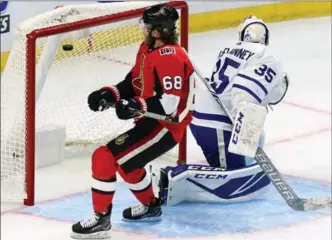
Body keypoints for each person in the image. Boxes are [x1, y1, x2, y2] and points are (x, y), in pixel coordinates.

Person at [71, 4, 195, 239]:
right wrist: (112, 94)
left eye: (146, 25)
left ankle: (100, 220)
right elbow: (136, 82)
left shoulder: (170, 57)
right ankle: (150, 206)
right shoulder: (148, 49)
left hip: (166, 127)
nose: (142, 28)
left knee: (104, 157)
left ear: (157, 31)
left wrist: (138, 106)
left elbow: (171, 106)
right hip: (152, 122)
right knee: (130, 166)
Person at [156, 16, 289, 206]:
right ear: (265, 38)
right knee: (234, 177)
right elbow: (245, 91)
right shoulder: (267, 57)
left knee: (257, 137)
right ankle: (175, 177)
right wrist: (243, 128)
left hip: (203, 116)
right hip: (217, 124)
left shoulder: (230, 48)